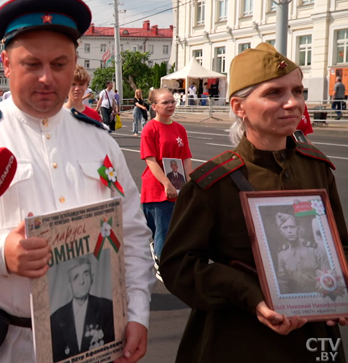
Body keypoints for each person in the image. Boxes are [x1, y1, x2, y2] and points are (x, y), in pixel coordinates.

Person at [0, 0, 154, 363]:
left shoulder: (99, 140)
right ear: (5, 63)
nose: (46, 78)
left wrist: (137, 314)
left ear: (74, 65)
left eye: (59, 64)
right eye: (31, 64)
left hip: (90, 340)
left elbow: (133, 236)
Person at [159, 43, 348, 363]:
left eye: (298, 91)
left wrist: (338, 290)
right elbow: (179, 266)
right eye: (274, 93)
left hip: (313, 339)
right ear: (239, 106)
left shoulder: (315, 166)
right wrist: (250, 294)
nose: (293, 103)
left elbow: (339, 243)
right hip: (239, 337)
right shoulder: (212, 183)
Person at [140, 87, 192, 260]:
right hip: (157, 188)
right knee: (162, 229)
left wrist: (191, 183)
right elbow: (150, 160)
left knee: (175, 229)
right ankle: (160, 261)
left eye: (172, 102)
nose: (170, 105)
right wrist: (166, 184)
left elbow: (186, 158)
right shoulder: (150, 128)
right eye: (165, 102)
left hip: (178, 185)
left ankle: (164, 257)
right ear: (154, 106)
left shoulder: (180, 129)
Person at [50, 257, 115, 362]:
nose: (82, 281)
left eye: (86, 274)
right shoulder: (55, 318)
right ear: (69, 285)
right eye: (76, 277)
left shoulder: (107, 308)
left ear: (92, 278)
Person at [275, 213, 329, 294]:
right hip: (296, 295)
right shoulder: (282, 253)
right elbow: (283, 280)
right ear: (281, 232)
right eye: (285, 228)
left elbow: (327, 275)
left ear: (298, 228)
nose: (289, 231)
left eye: (292, 227)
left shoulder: (314, 249)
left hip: (319, 293)